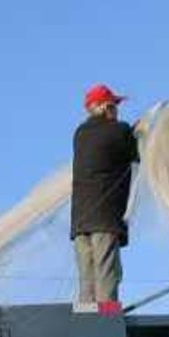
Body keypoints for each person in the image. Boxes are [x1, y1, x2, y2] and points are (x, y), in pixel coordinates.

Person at [71, 84, 140, 304]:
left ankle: (86, 325)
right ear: (104, 107)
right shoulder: (119, 130)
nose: (116, 110)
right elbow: (136, 154)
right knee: (107, 276)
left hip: (80, 221)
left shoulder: (80, 134)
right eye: (114, 105)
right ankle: (108, 321)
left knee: (87, 279)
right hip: (105, 219)